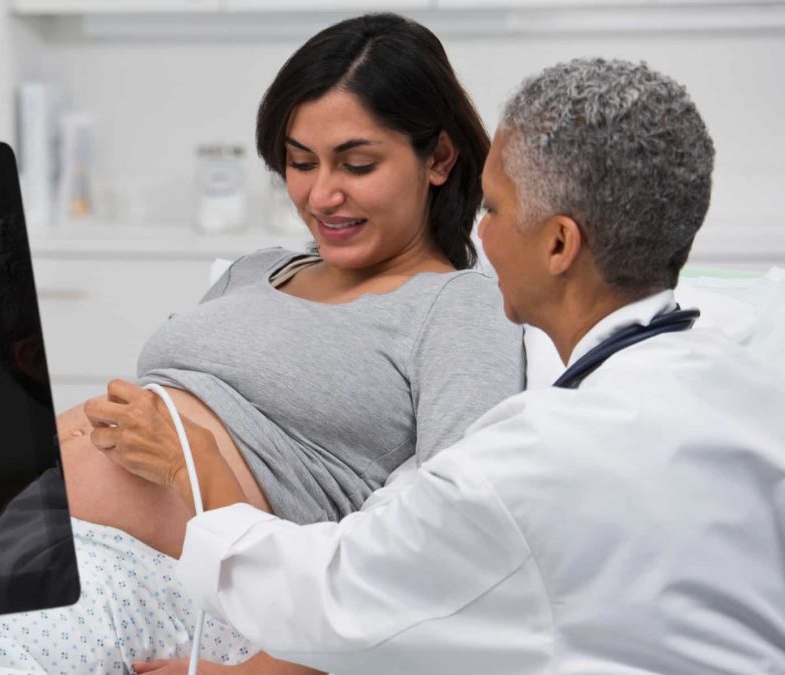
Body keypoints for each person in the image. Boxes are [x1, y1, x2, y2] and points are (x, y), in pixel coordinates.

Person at [0, 13, 524, 673]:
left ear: (440, 157)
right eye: (299, 162)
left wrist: (276, 667)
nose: (321, 194)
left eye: (357, 163)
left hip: (187, 585)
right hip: (33, 538)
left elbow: (455, 544)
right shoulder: (257, 269)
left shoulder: (457, 305)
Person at [92, 58, 785, 674]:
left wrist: (193, 467)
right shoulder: (746, 394)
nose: (478, 232)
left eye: (493, 208)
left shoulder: (529, 461)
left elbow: (339, 598)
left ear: (558, 244)